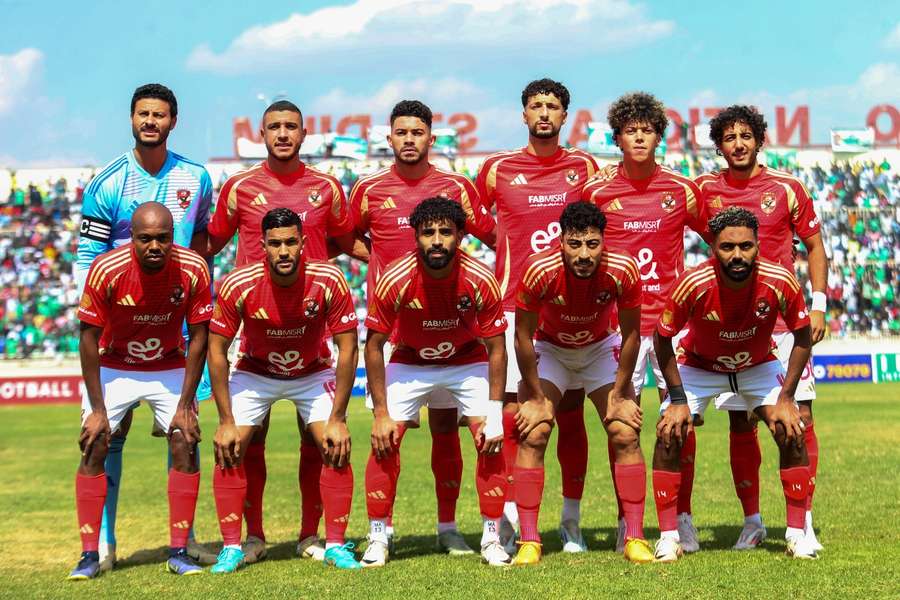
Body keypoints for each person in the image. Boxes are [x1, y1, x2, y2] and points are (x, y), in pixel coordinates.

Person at [205, 99, 366, 562]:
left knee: (316, 440)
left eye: (290, 127)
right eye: (273, 126)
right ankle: (250, 539)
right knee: (246, 442)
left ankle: (312, 536)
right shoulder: (238, 187)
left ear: (303, 133)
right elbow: (212, 241)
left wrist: (386, 256)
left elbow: (342, 240)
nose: (282, 134)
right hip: (256, 328)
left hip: (310, 327)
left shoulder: (326, 187)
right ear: (262, 132)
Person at [74, 83, 214, 570]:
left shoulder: (196, 177)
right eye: (142, 114)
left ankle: (185, 537)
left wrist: (195, 297)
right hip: (121, 321)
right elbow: (89, 255)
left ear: (173, 120)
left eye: (159, 114)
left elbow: (201, 242)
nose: (150, 121)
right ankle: (104, 540)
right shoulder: (107, 182)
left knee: (184, 432)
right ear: (131, 119)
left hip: (176, 320)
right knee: (110, 435)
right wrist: (101, 311)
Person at [349, 99, 496, 554]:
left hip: (454, 322)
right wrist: (377, 259)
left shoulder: (455, 186)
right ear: (389, 138)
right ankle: (383, 530)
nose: (409, 140)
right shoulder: (369, 188)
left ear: (431, 138)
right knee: (387, 434)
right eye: (401, 132)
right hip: (398, 325)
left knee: (448, 431)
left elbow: (491, 234)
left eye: (418, 132)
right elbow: (341, 236)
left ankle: (449, 527)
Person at [475, 78, 599, 553]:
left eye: (552, 106)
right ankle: (507, 518)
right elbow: (470, 218)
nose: (544, 113)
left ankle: (571, 520)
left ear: (565, 116)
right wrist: (505, 249)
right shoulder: (496, 169)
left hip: (572, 310)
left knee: (569, 416)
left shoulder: (585, 167)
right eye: (535, 106)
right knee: (513, 416)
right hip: (512, 308)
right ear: (523, 114)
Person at [651, 206, 817, 561]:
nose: (738, 255)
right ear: (713, 247)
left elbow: (802, 337)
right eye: (728, 247)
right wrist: (677, 398)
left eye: (746, 246)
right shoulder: (693, 283)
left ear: (758, 245)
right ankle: (669, 536)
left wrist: (787, 397)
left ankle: (796, 532)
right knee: (668, 431)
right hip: (699, 365)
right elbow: (662, 339)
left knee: (792, 428)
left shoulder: (780, 280)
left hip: (757, 365)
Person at [696, 105, 827, 551]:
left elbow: (814, 246)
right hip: (732, 322)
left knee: (800, 418)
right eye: (729, 137)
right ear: (719, 145)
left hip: (782, 320)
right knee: (740, 421)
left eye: (746, 136)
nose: (738, 144)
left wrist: (820, 304)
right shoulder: (704, 190)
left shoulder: (787, 188)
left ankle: (801, 518)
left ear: (759, 140)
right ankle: (751, 520)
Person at [582, 91, 708, 553]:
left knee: (680, 423)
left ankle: (682, 517)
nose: (639, 137)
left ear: (659, 136)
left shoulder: (681, 190)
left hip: (674, 327)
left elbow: (722, 239)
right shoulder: (596, 191)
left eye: (647, 130)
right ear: (617, 138)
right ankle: (626, 519)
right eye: (630, 131)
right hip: (620, 328)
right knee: (624, 426)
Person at [360, 198, 509, 568]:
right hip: (410, 360)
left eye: (446, 232)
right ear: (416, 237)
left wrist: (495, 413)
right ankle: (379, 536)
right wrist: (380, 413)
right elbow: (374, 345)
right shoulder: (394, 278)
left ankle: (490, 537)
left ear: (460, 235)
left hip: (466, 359)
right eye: (429, 233)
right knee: (384, 440)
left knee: (488, 440)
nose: (437, 240)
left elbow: (496, 348)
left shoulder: (480, 277)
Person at [512, 201, 650, 564]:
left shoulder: (623, 270)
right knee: (535, 430)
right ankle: (529, 540)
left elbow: (632, 333)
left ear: (604, 242)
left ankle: (634, 536)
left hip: (599, 348)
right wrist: (537, 396)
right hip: (552, 348)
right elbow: (522, 336)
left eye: (592, 244)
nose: (584, 254)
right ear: (561, 243)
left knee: (624, 430)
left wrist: (620, 393)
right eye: (575, 244)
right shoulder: (538, 270)